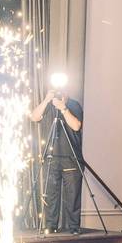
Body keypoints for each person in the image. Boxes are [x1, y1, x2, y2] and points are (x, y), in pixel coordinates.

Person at [29, 88, 84, 234]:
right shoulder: (49, 105)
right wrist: (47, 100)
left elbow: (76, 126)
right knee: (51, 195)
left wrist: (64, 109)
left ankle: (74, 227)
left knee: (73, 196)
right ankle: (50, 225)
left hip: (71, 158)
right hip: (51, 157)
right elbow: (34, 117)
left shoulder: (73, 105)